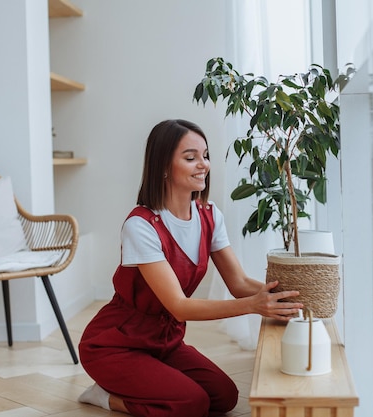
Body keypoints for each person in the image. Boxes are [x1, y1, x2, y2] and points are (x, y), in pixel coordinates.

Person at [78, 119, 303, 417]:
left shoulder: (209, 216)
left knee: (224, 397)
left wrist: (280, 297)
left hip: (165, 342)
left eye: (205, 155)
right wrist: (253, 305)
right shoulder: (141, 226)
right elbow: (180, 307)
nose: (204, 165)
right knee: (191, 404)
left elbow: (238, 283)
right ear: (163, 167)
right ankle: (105, 397)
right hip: (115, 345)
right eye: (190, 157)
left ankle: (148, 380)